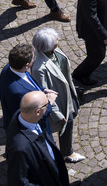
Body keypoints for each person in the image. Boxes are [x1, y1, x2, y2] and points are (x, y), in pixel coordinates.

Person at [7, 90, 72, 186]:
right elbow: (18, 185)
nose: (49, 104)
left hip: (51, 173)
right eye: (46, 104)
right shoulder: (20, 148)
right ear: (37, 112)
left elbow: (42, 114)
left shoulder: (23, 115)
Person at [31, 28, 84, 164]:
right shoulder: (38, 68)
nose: (58, 40)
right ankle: (67, 153)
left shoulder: (53, 51)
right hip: (58, 102)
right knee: (67, 122)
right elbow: (44, 94)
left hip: (67, 94)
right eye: (56, 40)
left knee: (71, 118)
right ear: (47, 47)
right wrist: (57, 114)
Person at [0, 43, 56, 131]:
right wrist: (49, 102)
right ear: (27, 65)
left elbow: (28, 80)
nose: (34, 59)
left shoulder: (11, 66)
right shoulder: (19, 92)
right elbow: (32, 115)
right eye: (33, 58)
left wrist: (42, 89)